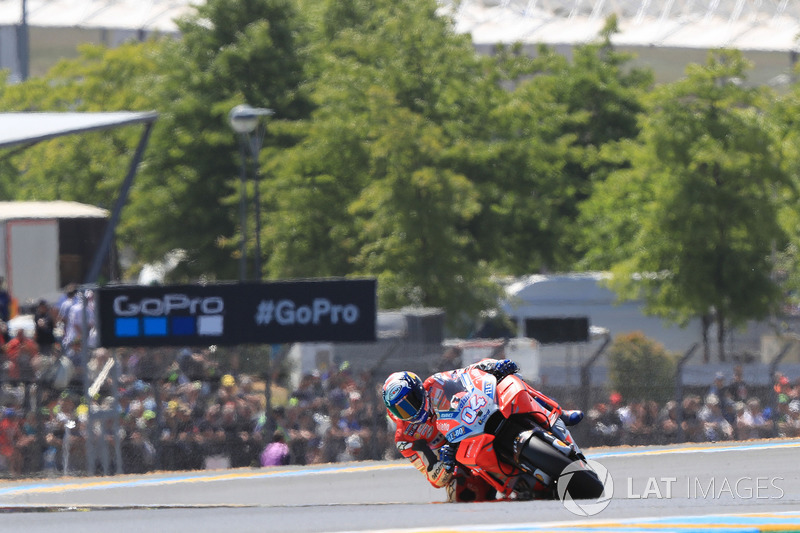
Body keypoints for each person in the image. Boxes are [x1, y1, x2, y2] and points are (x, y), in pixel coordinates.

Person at [382, 358, 583, 503]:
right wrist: (445, 464)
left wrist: (493, 366)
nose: (410, 411)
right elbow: (434, 478)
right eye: (401, 410)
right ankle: (516, 490)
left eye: (411, 402)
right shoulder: (406, 437)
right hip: (457, 456)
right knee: (461, 493)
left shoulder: (434, 383)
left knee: (511, 382)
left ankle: (558, 413)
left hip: (474, 419)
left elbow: (467, 373)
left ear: (419, 389)